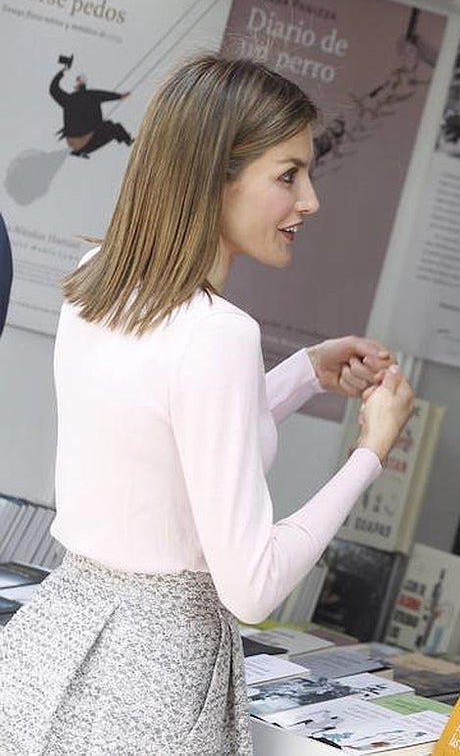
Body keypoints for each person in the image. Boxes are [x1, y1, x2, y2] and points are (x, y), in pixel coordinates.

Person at [0, 55, 415, 754]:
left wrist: (305, 373)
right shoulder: (219, 335)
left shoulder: (95, 278)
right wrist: (370, 453)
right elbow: (253, 586)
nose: (310, 201)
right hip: (156, 677)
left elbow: (167, 434)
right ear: (216, 176)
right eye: (289, 176)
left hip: (54, 640)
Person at [49, 58, 135, 158]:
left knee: (110, 126)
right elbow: (104, 95)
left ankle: (79, 151)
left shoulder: (68, 99)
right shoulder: (91, 95)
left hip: (73, 144)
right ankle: (129, 141)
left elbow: (53, 89)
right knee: (115, 128)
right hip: (87, 142)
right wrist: (120, 96)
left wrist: (63, 71)